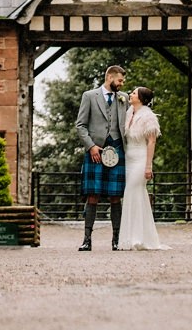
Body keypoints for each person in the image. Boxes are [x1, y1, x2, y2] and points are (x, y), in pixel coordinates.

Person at [75, 65, 129, 251]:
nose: (122, 84)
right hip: (95, 151)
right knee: (93, 195)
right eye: (120, 80)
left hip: (117, 149)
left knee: (115, 196)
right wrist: (91, 147)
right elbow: (80, 125)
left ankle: (116, 239)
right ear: (110, 77)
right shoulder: (89, 96)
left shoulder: (124, 99)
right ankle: (87, 239)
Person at [117, 86, 169, 251]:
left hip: (140, 159)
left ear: (141, 98)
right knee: (134, 195)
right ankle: (131, 236)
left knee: (133, 192)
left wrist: (148, 165)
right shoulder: (129, 112)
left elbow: (151, 142)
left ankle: (137, 238)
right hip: (128, 159)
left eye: (133, 93)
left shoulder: (149, 117)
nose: (130, 94)